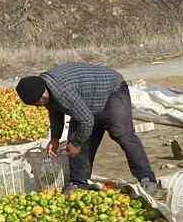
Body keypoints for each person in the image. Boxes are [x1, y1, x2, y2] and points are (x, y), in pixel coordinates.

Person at [15, 64, 160, 197]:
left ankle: (147, 178)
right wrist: (55, 138)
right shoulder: (44, 92)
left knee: (122, 133)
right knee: (76, 137)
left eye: (41, 100)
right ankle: (79, 182)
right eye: (36, 104)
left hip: (111, 90)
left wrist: (77, 143)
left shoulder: (62, 91)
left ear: (44, 89)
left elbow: (86, 120)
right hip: (88, 100)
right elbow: (55, 111)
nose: (41, 104)